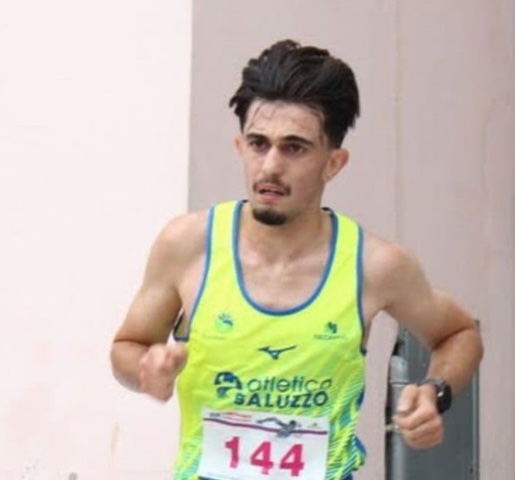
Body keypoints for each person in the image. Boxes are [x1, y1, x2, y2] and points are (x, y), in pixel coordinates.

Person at [110, 39, 483, 480]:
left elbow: (459, 334)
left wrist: (434, 392)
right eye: (258, 144)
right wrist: (145, 371)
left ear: (334, 163)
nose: (270, 167)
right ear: (239, 146)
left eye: (294, 148)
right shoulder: (189, 246)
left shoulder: (374, 266)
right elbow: (127, 347)